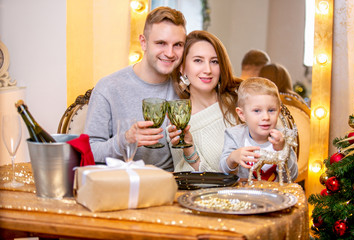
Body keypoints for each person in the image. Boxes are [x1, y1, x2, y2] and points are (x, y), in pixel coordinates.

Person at [84, 7, 187, 171]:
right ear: (143, 42)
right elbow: (89, 151)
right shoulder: (109, 87)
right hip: (123, 184)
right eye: (161, 43)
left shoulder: (185, 89)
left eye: (178, 45)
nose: (169, 53)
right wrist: (125, 140)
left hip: (172, 184)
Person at [168, 30, 240, 172]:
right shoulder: (179, 123)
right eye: (198, 60)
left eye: (214, 62)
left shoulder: (241, 101)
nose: (207, 69)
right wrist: (189, 150)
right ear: (182, 67)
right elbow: (191, 183)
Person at [219, 77, 298, 182]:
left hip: (274, 195)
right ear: (242, 114)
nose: (266, 117)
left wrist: (282, 149)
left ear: (278, 112)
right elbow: (223, 171)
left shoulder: (283, 137)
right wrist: (232, 158)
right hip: (243, 195)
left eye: (271, 110)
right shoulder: (235, 135)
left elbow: (292, 176)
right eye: (257, 111)